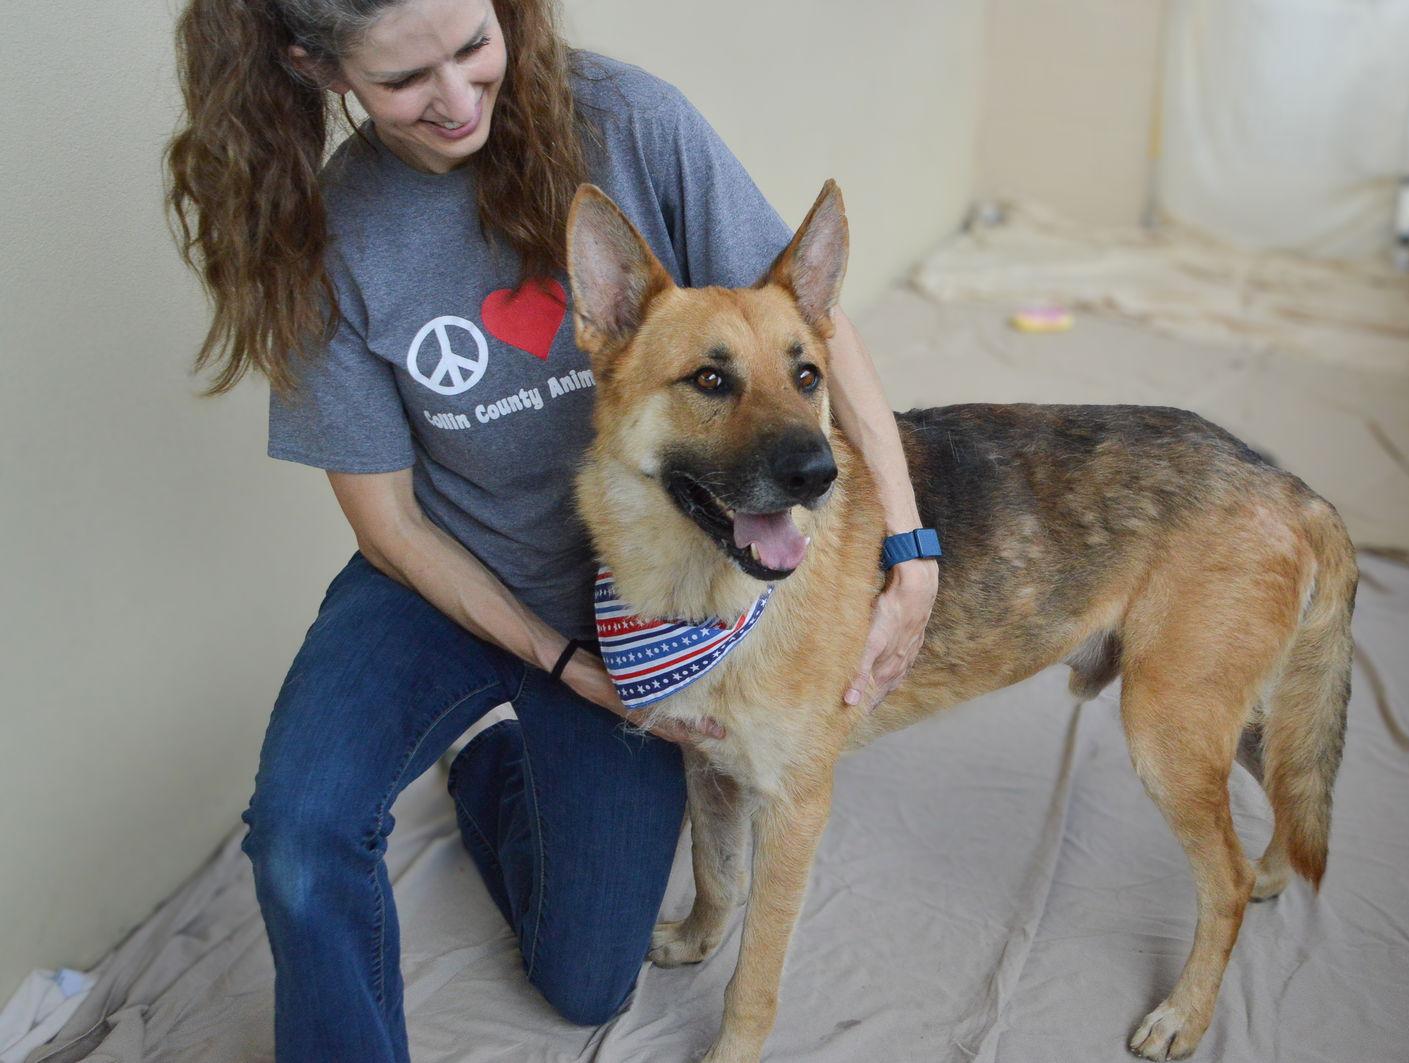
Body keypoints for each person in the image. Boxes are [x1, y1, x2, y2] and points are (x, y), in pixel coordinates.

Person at [164, 0, 939, 1059]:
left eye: (472, 46)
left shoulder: (628, 121)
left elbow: (808, 328)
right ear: (320, 68)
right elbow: (389, 524)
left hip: (634, 589)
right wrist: (563, 664)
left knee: (585, 983)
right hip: (439, 571)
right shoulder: (322, 236)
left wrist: (908, 541)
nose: (456, 99)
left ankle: (490, 773)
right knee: (301, 830)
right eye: (405, 80)